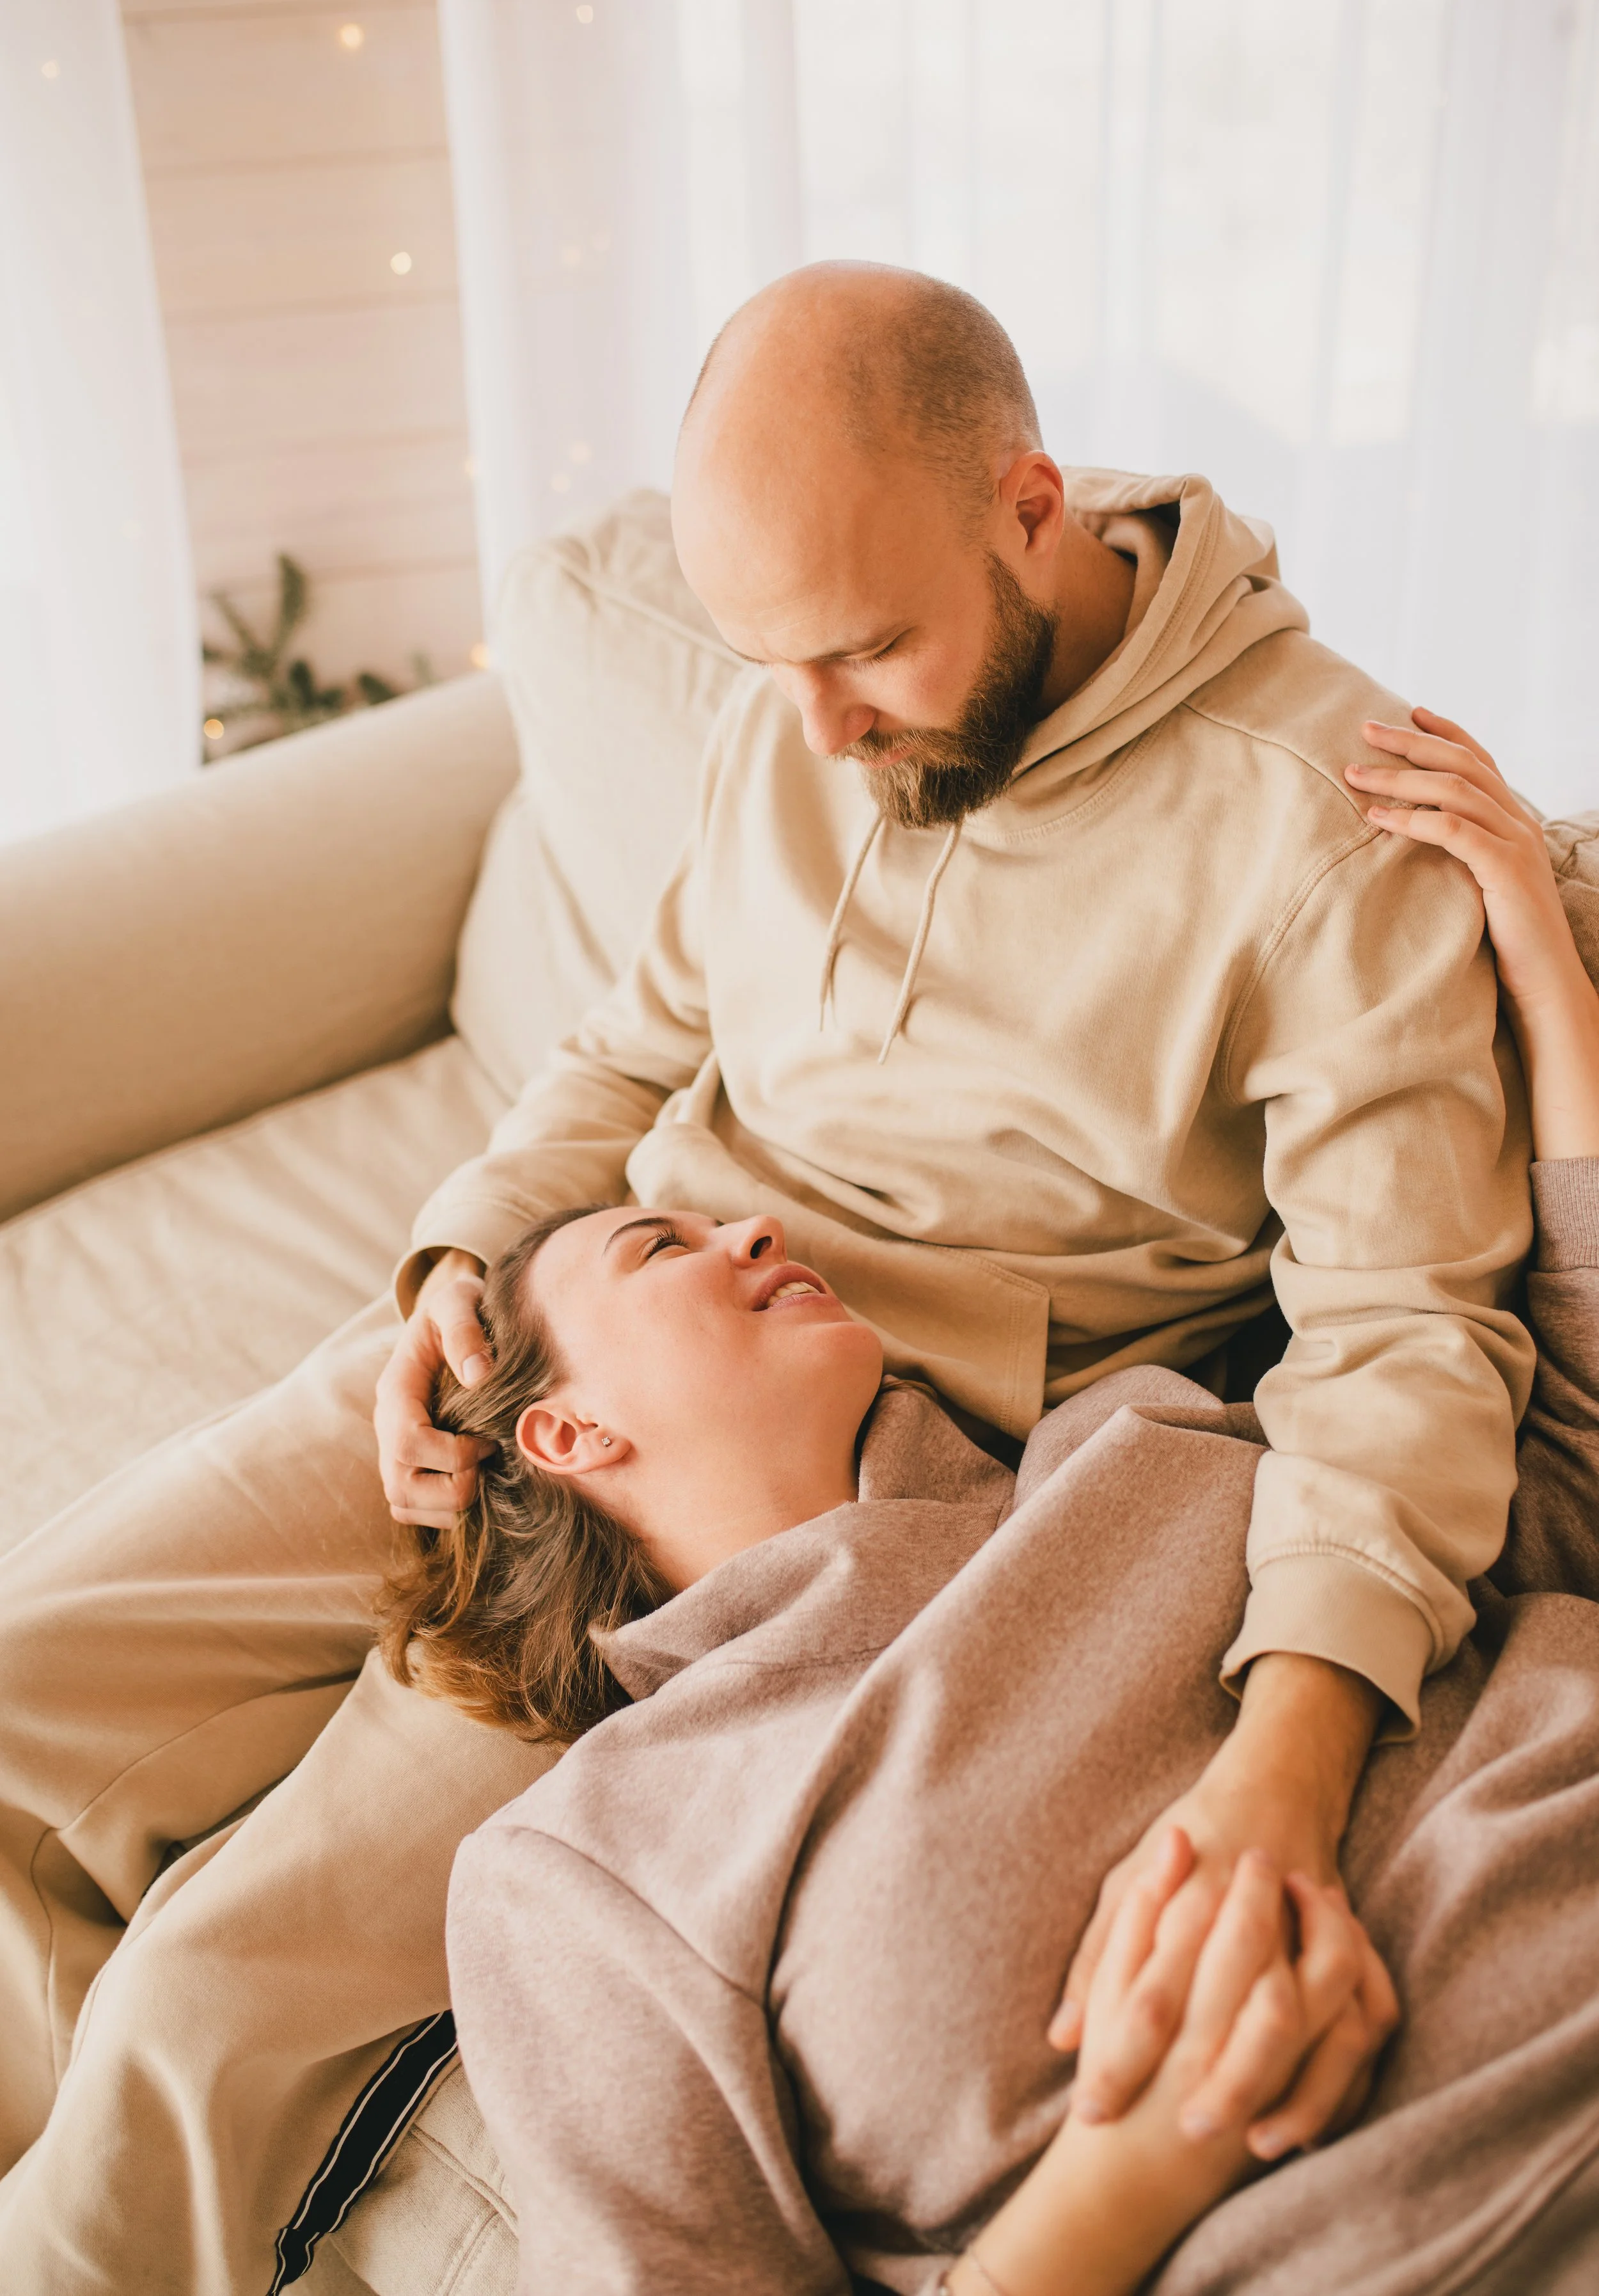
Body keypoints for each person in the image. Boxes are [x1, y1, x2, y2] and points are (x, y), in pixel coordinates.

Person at [0, 262, 1535, 2290]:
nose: (810, 724)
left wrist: (1283, 1753)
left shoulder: (1322, 828)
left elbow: (1406, 1335)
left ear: (1030, 504)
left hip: (795, 1484)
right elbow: (633, 1044)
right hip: (577, 1316)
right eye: (764, 659)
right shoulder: (791, 703)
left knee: (212, 2004)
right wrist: (457, 1260)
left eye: (866, 652)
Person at [432, 709, 1599, 2295]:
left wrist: (1539, 969)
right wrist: (1132, 2181)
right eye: (662, 1247)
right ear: (561, 1433)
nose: (749, 1233)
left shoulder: (1140, 1436)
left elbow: (1553, 1497)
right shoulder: (597, 1864)